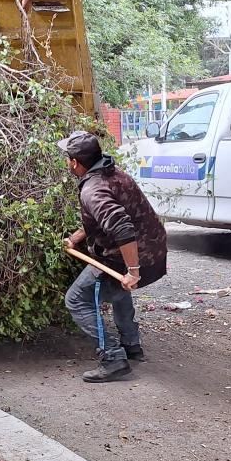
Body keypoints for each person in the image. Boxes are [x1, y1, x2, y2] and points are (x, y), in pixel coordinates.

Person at [58, 131, 168, 383]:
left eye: (68, 158)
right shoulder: (114, 175)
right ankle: (131, 345)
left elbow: (121, 228)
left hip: (131, 258)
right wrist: (76, 238)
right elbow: (105, 218)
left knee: (76, 300)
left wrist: (133, 271)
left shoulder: (92, 189)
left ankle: (113, 358)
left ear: (75, 162)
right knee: (119, 290)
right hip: (154, 250)